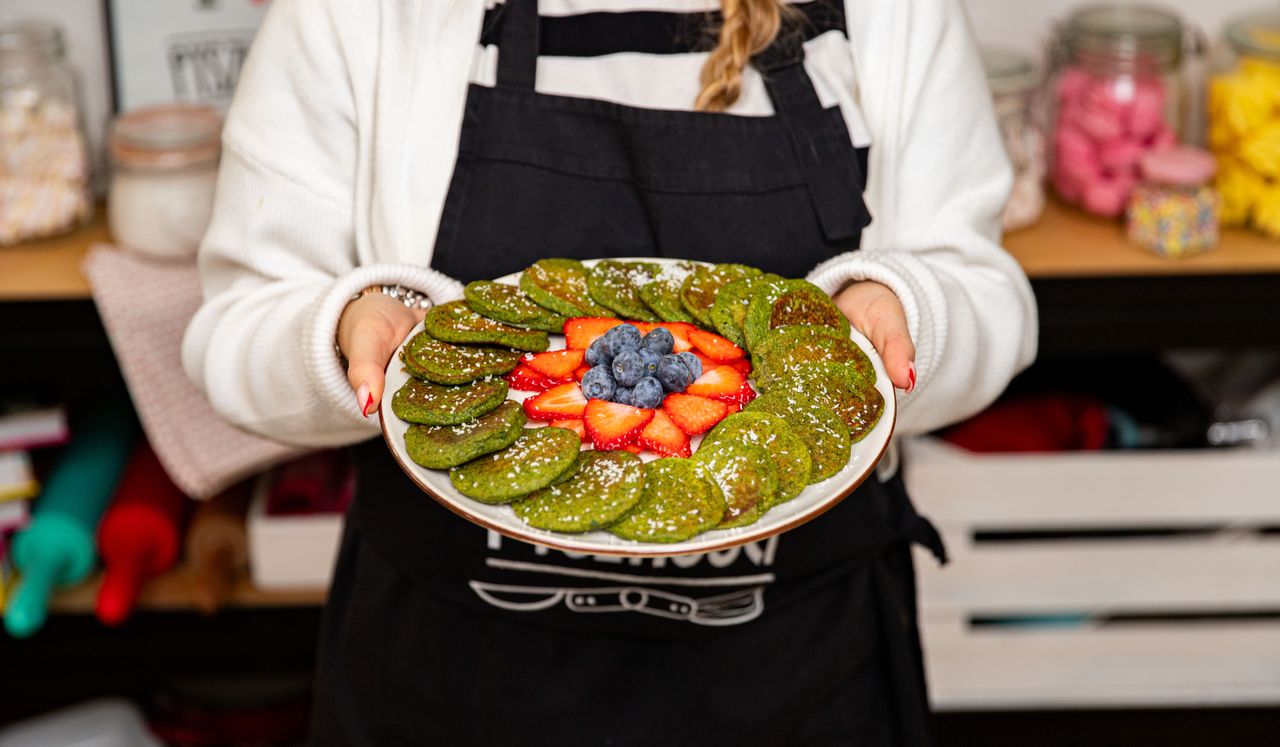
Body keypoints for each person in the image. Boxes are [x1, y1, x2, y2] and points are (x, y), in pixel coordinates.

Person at [183, 0, 1037, 743]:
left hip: (797, 674)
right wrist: (342, 331)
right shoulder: (363, 11)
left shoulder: (891, 13)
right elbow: (234, 331)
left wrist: (901, 315)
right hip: (452, 677)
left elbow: (989, 295)